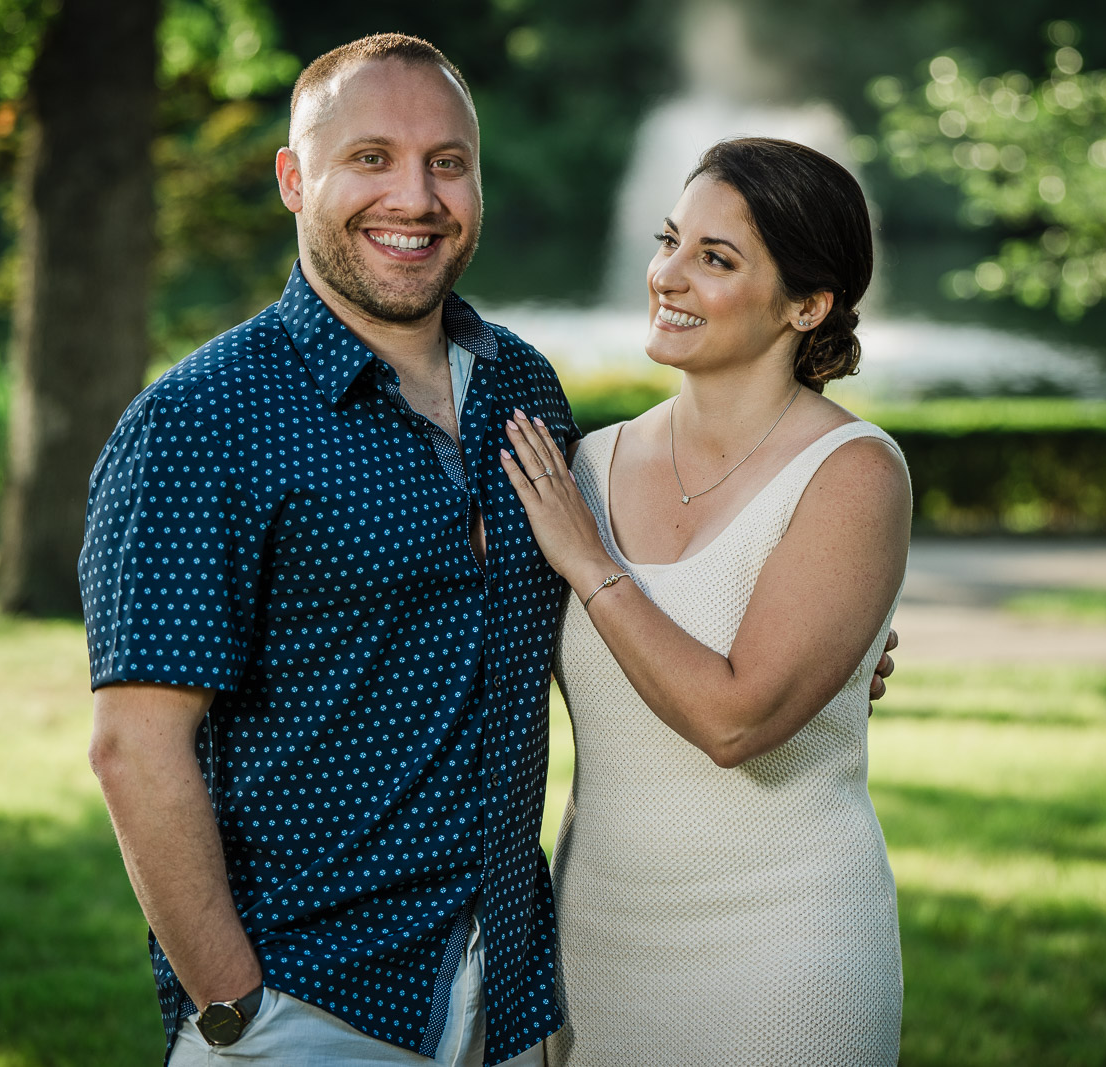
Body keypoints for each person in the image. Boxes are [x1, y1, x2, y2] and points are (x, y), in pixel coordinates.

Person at [81, 32, 897, 1065]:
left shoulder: (524, 394)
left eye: (447, 162)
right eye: (370, 158)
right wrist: (234, 1008)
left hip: (521, 997)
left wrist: (832, 628)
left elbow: (655, 591)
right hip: (312, 1003)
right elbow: (134, 746)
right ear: (295, 178)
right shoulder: (203, 422)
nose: (414, 198)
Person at [499, 138, 909, 1065]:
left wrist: (587, 558)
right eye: (670, 240)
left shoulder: (852, 473)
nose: (666, 277)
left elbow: (735, 722)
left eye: (715, 260)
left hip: (789, 942)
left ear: (808, 305)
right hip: (596, 942)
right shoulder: (584, 466)